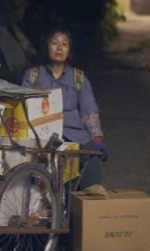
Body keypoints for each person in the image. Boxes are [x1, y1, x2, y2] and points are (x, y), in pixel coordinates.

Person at [22, 29, 108, 189]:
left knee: (91, 157)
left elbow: (89, 112)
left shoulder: (78, 77)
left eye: (64, 44)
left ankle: (89, 200)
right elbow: (23, 108)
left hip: (74, 135)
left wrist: (97, 139)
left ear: (69, 50)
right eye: (54, 43)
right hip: (41, 134)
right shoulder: (33, 76)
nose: (59, 48)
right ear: (46, 47)